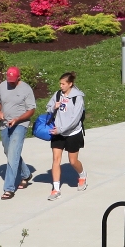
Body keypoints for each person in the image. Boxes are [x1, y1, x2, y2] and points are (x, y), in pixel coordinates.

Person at [0, 66, 36, 199]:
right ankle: (26, 174)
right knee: (9, 151)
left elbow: (31, 110)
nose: (10, 82)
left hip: (20, 124)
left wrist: (17, 119)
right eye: (8, 79)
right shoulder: (2, 86)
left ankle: (9, 188)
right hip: (4, 124)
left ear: (19, 77)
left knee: (12, 154)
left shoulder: (26, 89)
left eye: (13, 80)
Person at [46, 72, 86, 200]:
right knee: (56, 160)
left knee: (73, 161)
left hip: (72, 133)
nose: (61, 86)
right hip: (58, 132)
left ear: (70, 84)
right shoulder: (58, 94)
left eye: (63, 84)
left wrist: (61, 129)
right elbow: (48, 108)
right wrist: (53, 107)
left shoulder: (77, 98)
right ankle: (56, 189)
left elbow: (75, 120)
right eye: (60, 83)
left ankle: (82, 176)